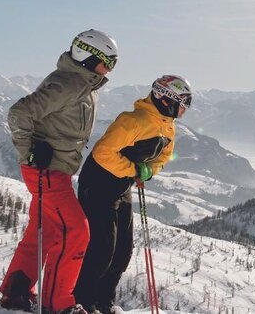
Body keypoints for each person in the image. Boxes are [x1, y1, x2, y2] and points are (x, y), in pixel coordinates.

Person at [0, 30, 119, 314]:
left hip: (55, 171)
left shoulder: (84, 85)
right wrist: (29, 151)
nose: (110, 69)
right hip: (46, 171)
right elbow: (19, 113)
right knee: (76, 231)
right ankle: (58, 304)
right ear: (89, 57)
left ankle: (15, 293)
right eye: (108, 62)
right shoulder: (68, 83)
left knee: (44, 231)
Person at [73, 74, 192, 314]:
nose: (183, 112)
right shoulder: (133, 121)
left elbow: (163, 156)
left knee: (122, 252)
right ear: (166, 99)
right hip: (98, 183)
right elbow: (102, 153)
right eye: (182, 105)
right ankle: (82, 301)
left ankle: (104, 302)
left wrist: (148, 171)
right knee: (102, 248)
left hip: (121, 185)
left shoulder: (167, 125)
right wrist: (135, 170)